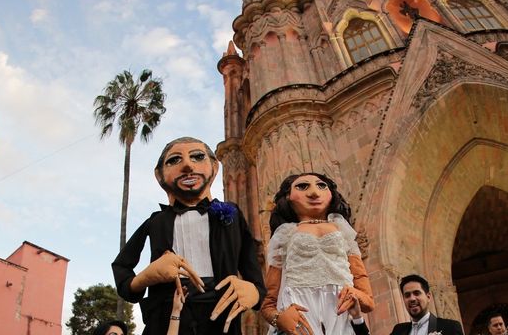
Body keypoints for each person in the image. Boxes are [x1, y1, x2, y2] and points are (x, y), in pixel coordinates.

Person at [112, 136, 266, 335]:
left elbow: (251, 266)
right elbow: (122, 267)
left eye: (197, 156)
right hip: (166, 318)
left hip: (220, 318)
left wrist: (255, 292)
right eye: (174, 160)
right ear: (159, 175)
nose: (186, 165)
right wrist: (146, 276)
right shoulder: (156, 221)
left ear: (215, 167)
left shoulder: (232, 213)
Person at [260, 172, 374, 335]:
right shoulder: (285, 234)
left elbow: (368, 300)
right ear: (289, 196)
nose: (314, 192)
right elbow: (268, 304)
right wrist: (280, 319)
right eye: (302, 186)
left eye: (322, 186)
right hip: (300, 320)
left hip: (340, 319)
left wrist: (355, 294)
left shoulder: (343, 231)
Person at [390, 274, 463, 335]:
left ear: (428, 297)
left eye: (416, 293)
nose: (412, 299)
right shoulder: (398, 331)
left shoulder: (451, 327)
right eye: (407, 295)